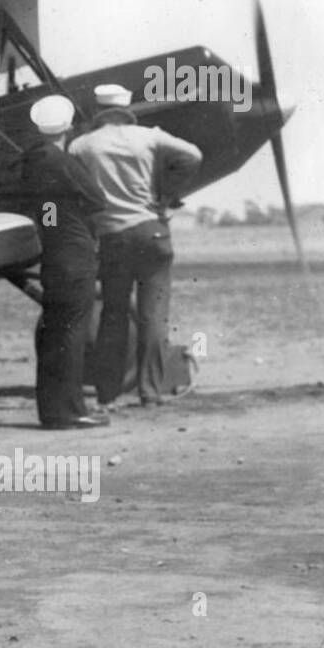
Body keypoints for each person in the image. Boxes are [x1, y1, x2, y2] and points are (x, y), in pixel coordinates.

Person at [69, 83, 203, 409]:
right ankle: (150, 392)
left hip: (112, 237)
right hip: (152, 232)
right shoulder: (149, 136)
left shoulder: (81, 145)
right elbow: (194, 155)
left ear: (99, 110)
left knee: (113, 315)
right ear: (126, 108)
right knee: (154, 316)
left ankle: (108, 394)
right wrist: (167, 194)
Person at [9, 95, 110, 429]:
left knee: (54, 336)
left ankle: (54, 411)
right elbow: (98, 200)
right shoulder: (60, 161)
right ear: (67, 126)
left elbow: (46, 213)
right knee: (71, 335)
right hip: (75, 256)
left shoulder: (31, 162)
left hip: (53, 253)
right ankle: (70, 412)